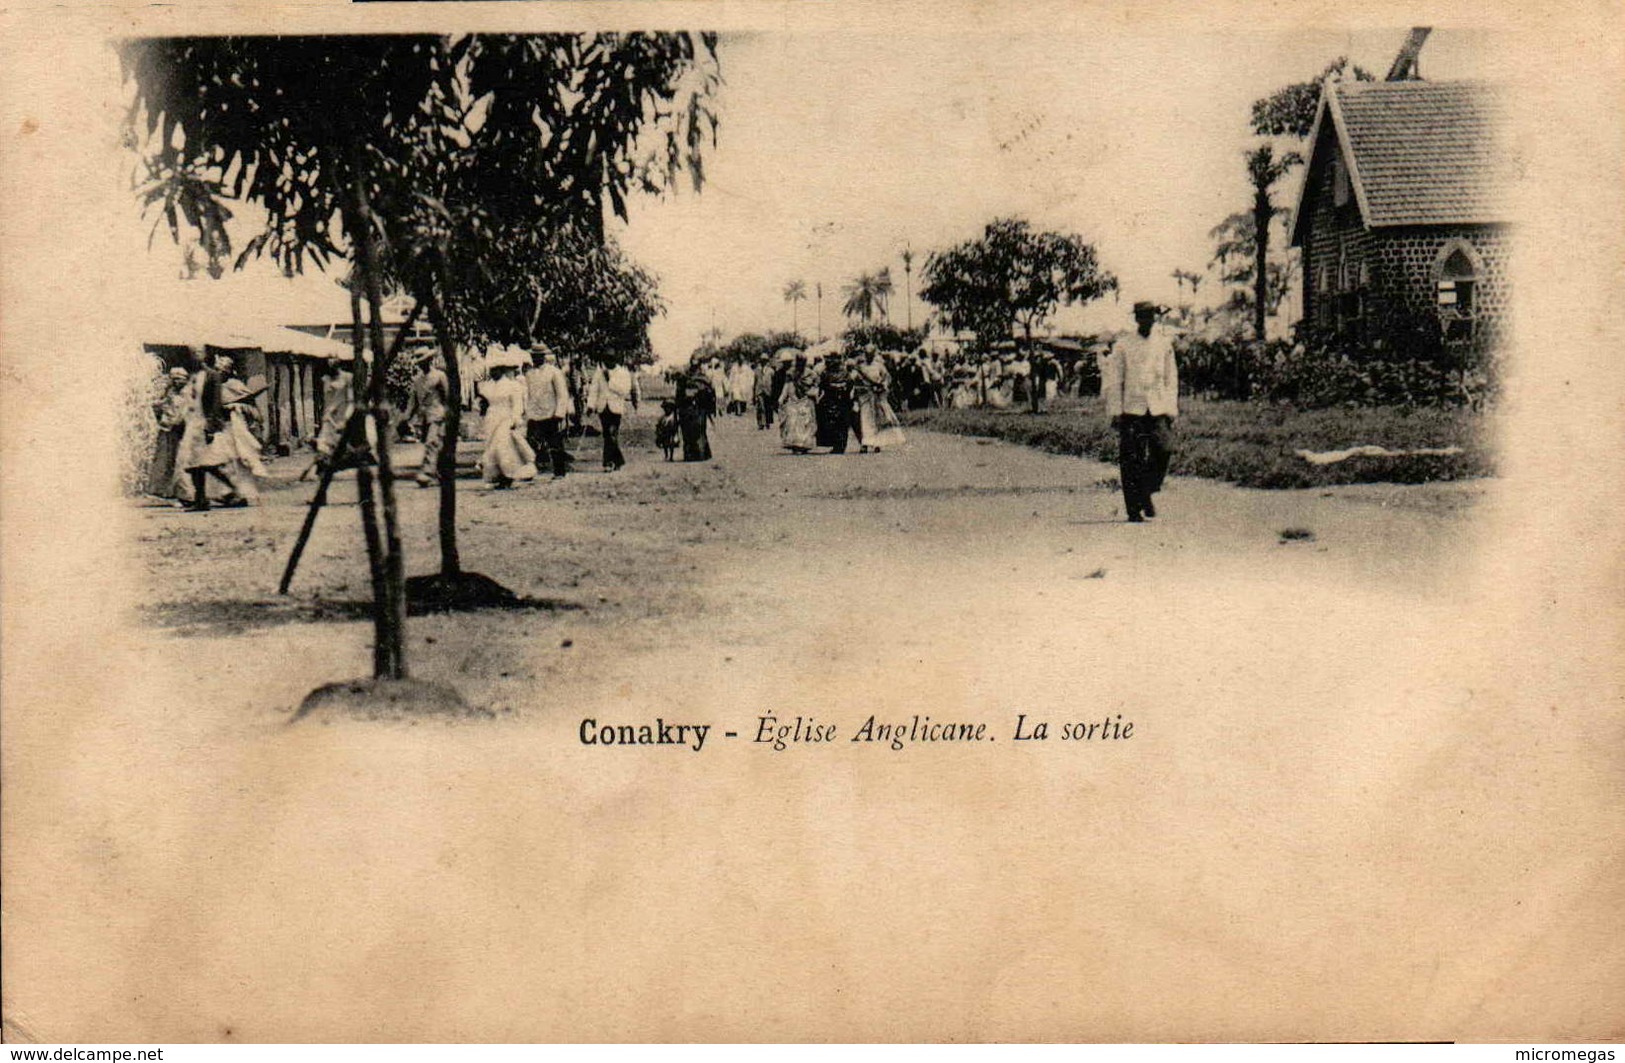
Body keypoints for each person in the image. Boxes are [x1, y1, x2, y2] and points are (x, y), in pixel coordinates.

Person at [1101, 301, 1179, 522]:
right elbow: (1115, 380)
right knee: (1131, 458)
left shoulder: (1164, 344)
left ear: (1155, 318)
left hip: (1157, 407)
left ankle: (1146, 490)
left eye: (1150, 317)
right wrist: (1115, 410)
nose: (1147, 321)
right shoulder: (1124, 345)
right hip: (1131, 408)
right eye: (1142, 317)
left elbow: (1171, 379)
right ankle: (1133, 509)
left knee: (1164, 450)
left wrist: (1171, 409)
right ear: (1136, 319)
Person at [175, 352, 247, 512]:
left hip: (205, 425)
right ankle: (201, 500)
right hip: (193, 425)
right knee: (195, 465)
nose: (194, 359)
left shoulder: (212, 376)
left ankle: (236, 491)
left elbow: (214, 403)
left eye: (197, 355)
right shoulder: (194, 377)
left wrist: (211, 427)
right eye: (192, 355)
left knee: (209, 464)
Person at [478, 363, 537, 489]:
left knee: (502, 446)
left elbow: (517, 405)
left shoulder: (512, 385)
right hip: (492, 418)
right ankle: (498, 476)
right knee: (492, 448)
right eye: (491, 370)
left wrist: (515, 419)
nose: (493, 373)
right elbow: (485, 403)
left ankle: (509, 474)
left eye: (496, 370)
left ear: (502, 370)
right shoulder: (488, 386)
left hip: (506, 417)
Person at [524, 344, 572, 480]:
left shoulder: (554, 372)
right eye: (533, 356)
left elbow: (562, 394)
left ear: (544, 357)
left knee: (554, 444)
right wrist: (527, 412)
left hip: (550, 413)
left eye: (538, 356)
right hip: (534, 413)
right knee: (531, 444)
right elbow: (527, 394)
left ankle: (559, 471)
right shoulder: (529, 374)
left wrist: (559, 412)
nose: (535, 359)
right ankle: (529, 472)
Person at [146, 366, 193, 502]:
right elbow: (160, 406)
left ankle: (185, 491)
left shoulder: (189, 392)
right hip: (169, 429)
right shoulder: (170, 393)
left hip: (184, 429)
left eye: (180, 379)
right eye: (175, 379)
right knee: (166, 459)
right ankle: (165, 489)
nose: (177, 382)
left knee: (182, 460)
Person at [585, 354, 639, 472]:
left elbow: (624, 391)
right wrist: (590, 405)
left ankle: (608, 462)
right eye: (606, 360)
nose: (608, 363)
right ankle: (617, 460)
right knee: (607, 435)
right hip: (603, 408)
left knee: (611, 434)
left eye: (610, 360)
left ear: (615, 360)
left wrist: (610, 381)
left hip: (616, 408)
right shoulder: (599, 373)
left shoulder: (622, 373)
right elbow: (594, 390)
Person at [853, 348, 905, 453]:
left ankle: (877, 443)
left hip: (877, 397)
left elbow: (887, 378)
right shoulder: (860, 367)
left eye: (871, 354)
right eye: (867, 354)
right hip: (866, 398)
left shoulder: (879, 366)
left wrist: (882, 386)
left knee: (877, 421)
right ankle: (865, 444)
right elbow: (856, 381)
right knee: (865, 420)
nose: (869, 356)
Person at [412, 350, 451, 487]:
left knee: (431, 443)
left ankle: (427, 473)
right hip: (424, 417)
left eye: (424, 361)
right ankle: (441, 473)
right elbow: (414, 402)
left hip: (438, 414)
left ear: (429, 361)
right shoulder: (417, 380)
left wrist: (448, 415)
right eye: (419, 363)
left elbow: (447, 397)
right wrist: (409, 418)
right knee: (435, 445)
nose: (422, 365)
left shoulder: (439, 376)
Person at [815, 352, 857, 453]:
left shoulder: (845, 372)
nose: (833, 361)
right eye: (831, 359)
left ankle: (841, 445)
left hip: (843, 400)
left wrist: (842, 388)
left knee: (843, 423)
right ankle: (834, 444)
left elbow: (850, 383)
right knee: (830, 423)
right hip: (830, 399)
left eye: (836, 359)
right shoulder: (825, 372)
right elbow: (822, 385)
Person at [777, 355, 818, 454]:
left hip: (807, 400)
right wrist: (782, 398)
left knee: (806, 423)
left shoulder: (811, 373)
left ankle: (804, 445)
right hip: (794, 399)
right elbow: (787, 386)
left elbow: (815, 386)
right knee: (793, 422)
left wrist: (813, 395)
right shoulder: (791, 373)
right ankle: (795, 445)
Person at [674, 367, 715, 462]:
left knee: (694, 433)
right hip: (694, 411)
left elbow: (709, 397)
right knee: (697, 432)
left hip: (693, 410)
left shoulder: (701, 380)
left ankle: (695, 454)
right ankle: (700, 454)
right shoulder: (703, 379)